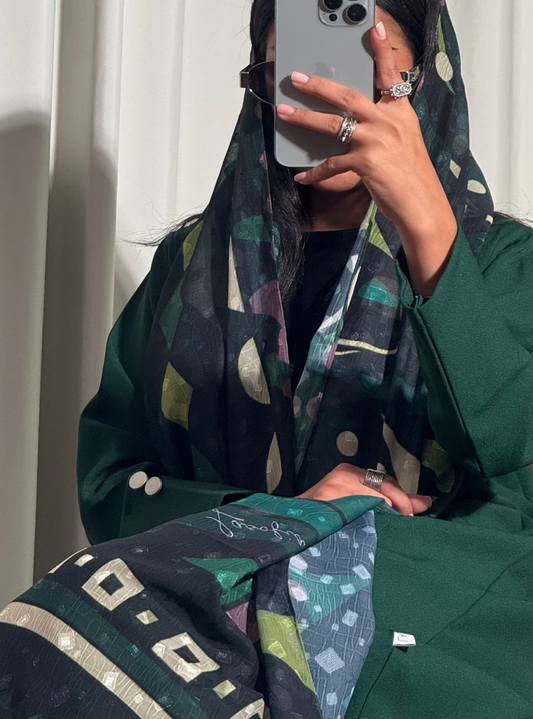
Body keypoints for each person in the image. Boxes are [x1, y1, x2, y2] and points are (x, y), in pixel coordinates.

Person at [1, 1, 532, 717]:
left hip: (425, 649)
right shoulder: (193, 270)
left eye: (363, 76)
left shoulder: (504, 268)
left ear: (425, 84)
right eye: (292, 74)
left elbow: (516, 470)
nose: (326, 97)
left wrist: (426, 224)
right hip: (210, 636)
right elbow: (113, 480)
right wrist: (275, 521)